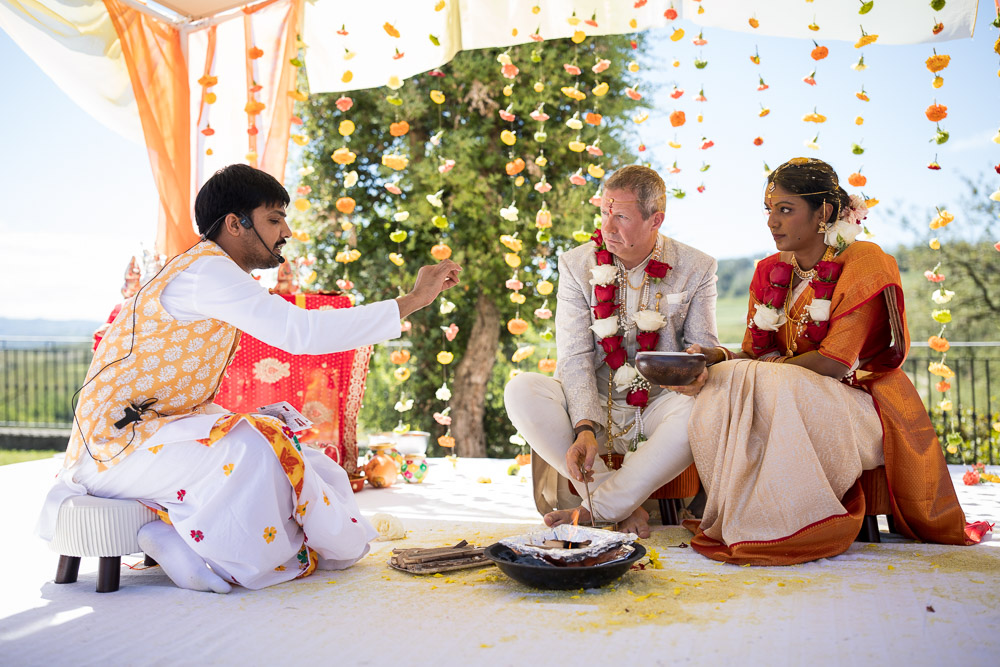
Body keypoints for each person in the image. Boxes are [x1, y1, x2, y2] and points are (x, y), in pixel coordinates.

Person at [37, 164, 461, 592]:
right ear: (235, 224)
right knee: (252, 451)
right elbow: (301, 333)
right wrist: (413, 300)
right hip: (115, 450)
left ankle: (218, 545)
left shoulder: (212, 270)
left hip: (153, 435)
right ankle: (196, 553)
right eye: (274, 219)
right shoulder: (208, 271)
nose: (287, 232)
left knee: (299, 455)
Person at [669, 157, 972, 565]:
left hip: (856, 402)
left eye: (786, 210)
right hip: (782, 394)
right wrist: (715, 357)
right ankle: (735, 508)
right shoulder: (769, 271)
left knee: (760, 381)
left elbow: (834, 362)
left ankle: (792, 521)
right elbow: (755, 353)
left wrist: (751, 372)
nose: (772, 222)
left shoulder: (864, 261)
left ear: (824, 212)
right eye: (769, 210)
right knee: (723, 378)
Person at [504, 165, 720, 537]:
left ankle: (598, 507)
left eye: (620, 215)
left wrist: (699, 364)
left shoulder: (697, 267)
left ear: (656, 220)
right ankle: (620, 501)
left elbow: (705, 346)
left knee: (702, 408)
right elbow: (573, 356)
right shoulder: (576, 264)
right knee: (520, 389)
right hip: (592, 401)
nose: (607, 226)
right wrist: (584, 426)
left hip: (659, 402)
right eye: (605, 212)